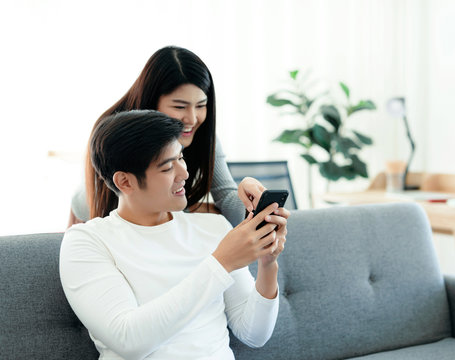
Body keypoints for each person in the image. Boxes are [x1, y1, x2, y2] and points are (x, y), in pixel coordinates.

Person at [60, 110, 288, 359]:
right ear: (125, 182)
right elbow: (128, 339)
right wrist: (221, 262)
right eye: (168, 167)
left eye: (181, 158)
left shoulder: (213, 228)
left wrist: (267, 264)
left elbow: (253, 334)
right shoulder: (87, 242)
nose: (185, 174)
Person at [68, 46, 267, 227]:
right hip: (92, 212)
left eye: (200, 105)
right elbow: (128, 212)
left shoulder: (204, 135)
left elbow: (225, 199)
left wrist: (249, 195)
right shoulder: (116, 132)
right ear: (151, 102)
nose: (192, 118)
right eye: (179, 107)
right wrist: (200, 209)